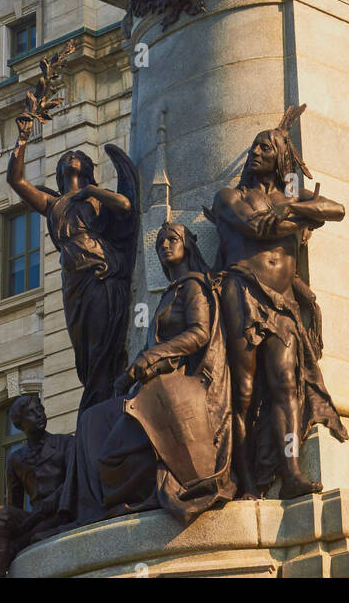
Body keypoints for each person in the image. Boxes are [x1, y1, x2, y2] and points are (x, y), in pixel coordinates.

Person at [206, 107, 348, 499]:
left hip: (283, 303)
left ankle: (291, 472)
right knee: (244, 391)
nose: (256, 152)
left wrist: (292, 208)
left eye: (265, 148)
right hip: (241, 293)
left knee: (287, 384)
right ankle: (244, 479)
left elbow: (336, 209)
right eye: (254, 146)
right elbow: (254, 226)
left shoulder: (287, 197)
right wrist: (299, 215)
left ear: (281, 157)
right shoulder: (229, 196)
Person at [59, 221, 234, 526]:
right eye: (160, 242)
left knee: (111, 453)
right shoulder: (171, 293)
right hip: (155, 383)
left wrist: (149, 357)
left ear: (187, 245)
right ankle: (85, 511)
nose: (165, 245)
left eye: (172, 239)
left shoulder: (193, 286)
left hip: (182, 384)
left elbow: (199, 333)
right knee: (90, 420)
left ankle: (143, 493)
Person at [7, 124, 138, 415]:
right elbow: (15, 180)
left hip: (101, 274)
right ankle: (99, 405)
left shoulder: (96, 198)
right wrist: (23, 138)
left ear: (88, 169)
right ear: (60, 172)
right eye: (66, 157)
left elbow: (127, 204)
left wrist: (92, 191)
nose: (71, 155)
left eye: (78, 156)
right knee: (85, 350)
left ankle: (101, 405)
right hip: (74, 282)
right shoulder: (53, 203)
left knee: (102, 347)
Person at [0, 394, 72, 578]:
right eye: (32, 413)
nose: (39, 414)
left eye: (40, 409)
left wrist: (55, 498)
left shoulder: (66, 443)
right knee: (0, 514)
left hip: (63, 510)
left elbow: (76, 479)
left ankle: (7, 552)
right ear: (19, 424)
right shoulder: (16, 459)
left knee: (22, 541)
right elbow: (15, 506)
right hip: (36, 517)